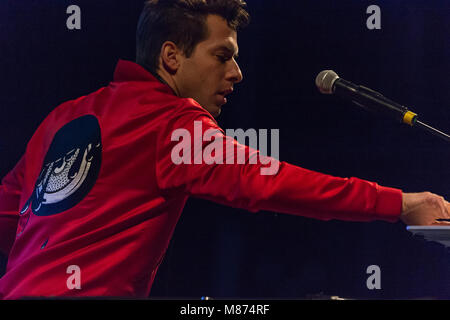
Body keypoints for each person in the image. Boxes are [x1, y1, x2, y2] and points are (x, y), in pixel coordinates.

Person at [0, 0, 448, 299]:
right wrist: (401, 203)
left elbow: (6, 222)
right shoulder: (169, 123)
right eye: (222, 55)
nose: (236, 73)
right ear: (172, 57)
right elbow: (268, 182)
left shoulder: (63, 118)